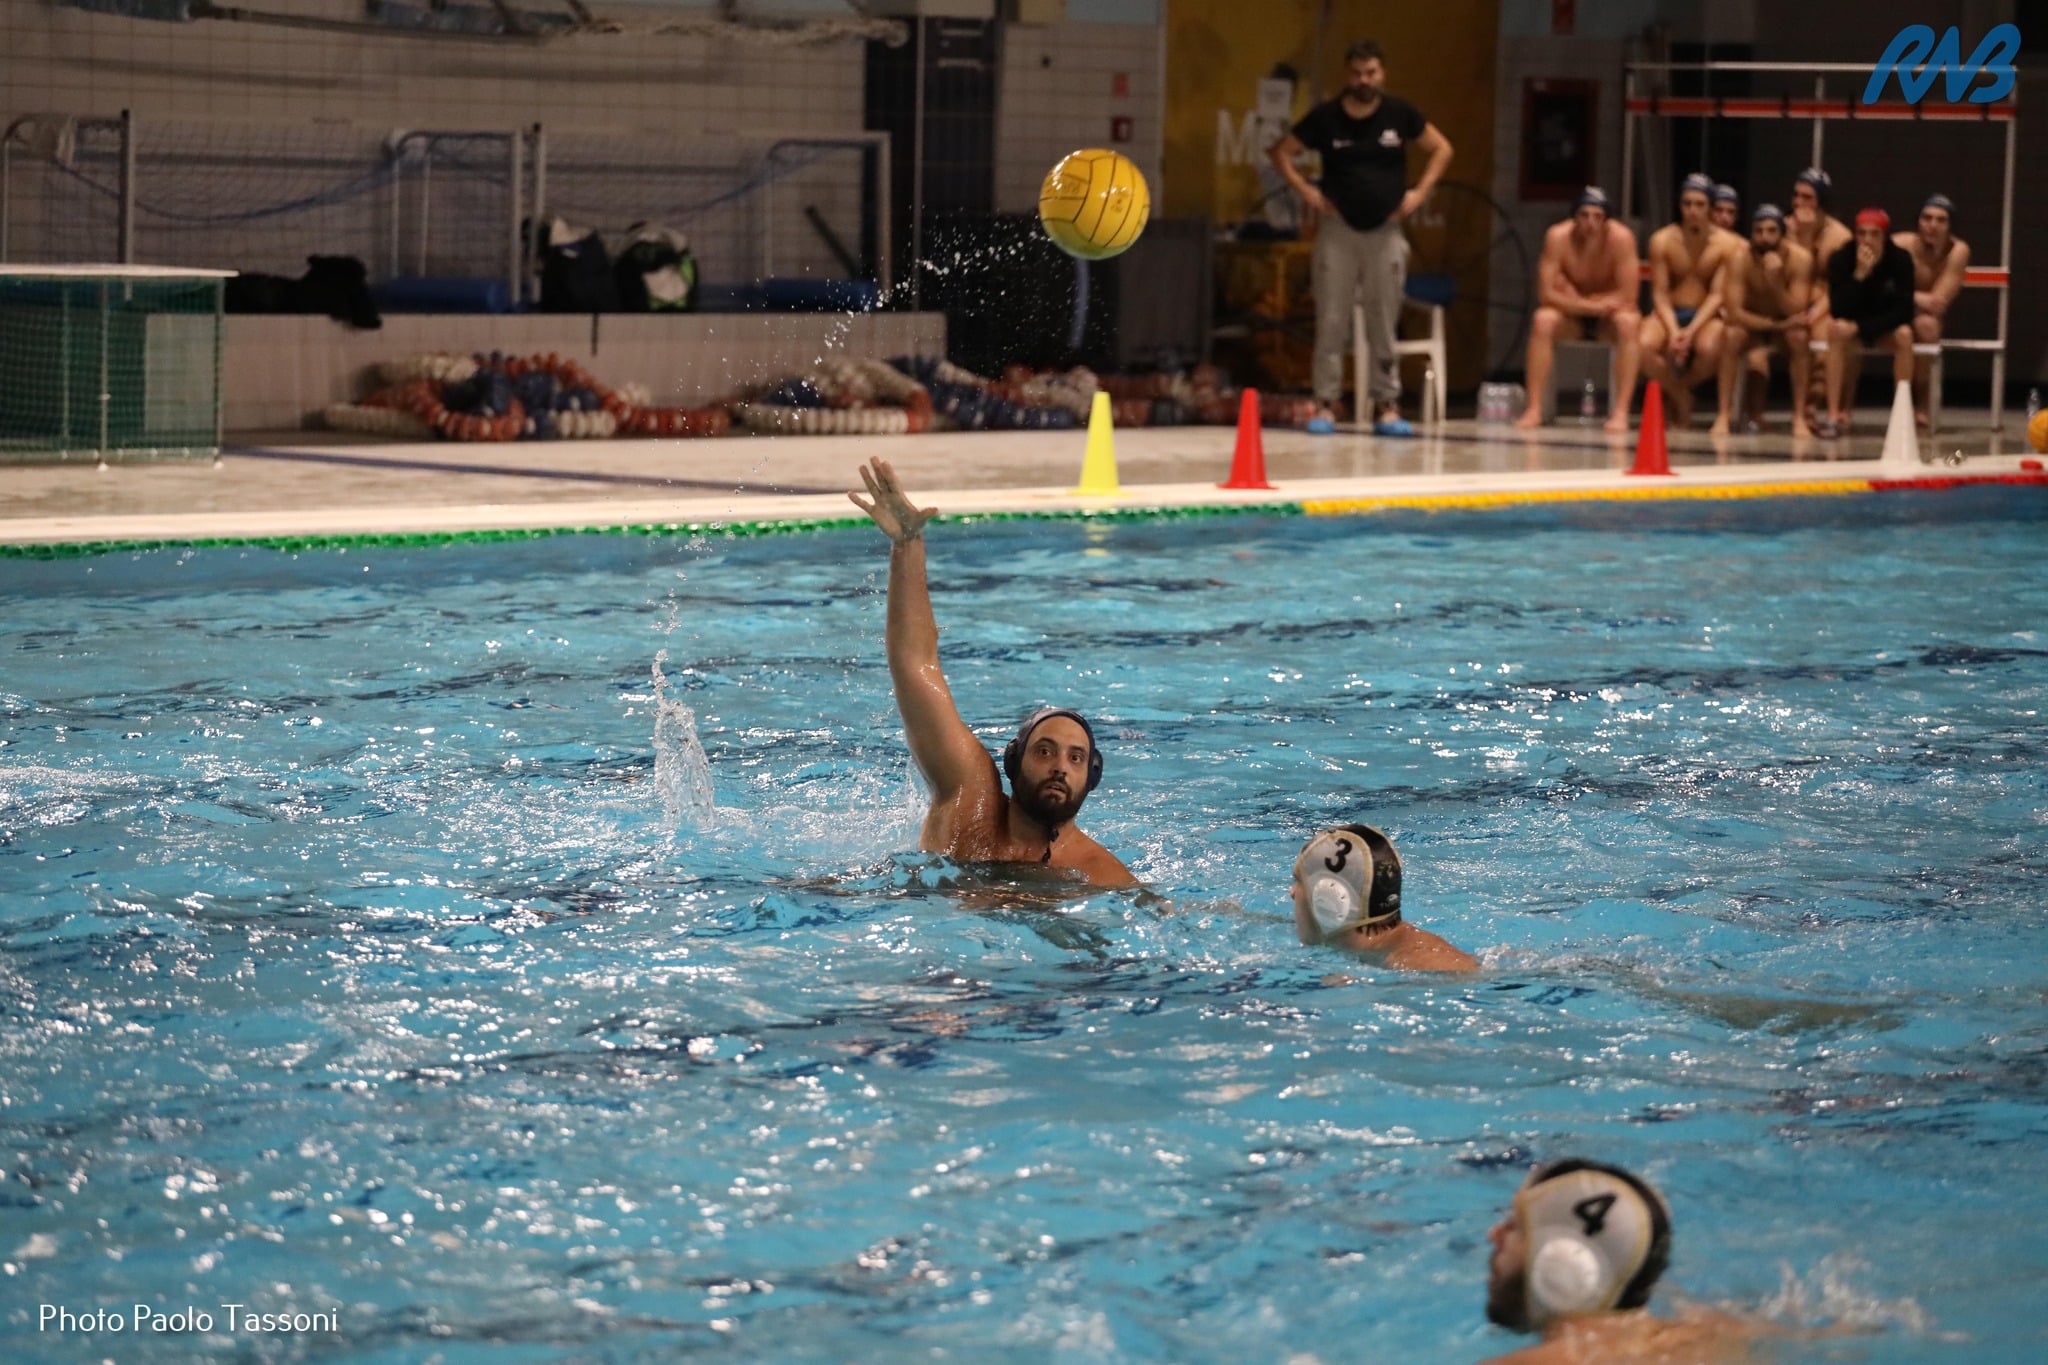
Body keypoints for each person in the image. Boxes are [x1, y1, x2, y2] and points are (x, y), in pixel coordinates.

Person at [848, 457, 1136, 887]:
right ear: (1013, 761)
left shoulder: (1096, 872)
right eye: (1045, 751)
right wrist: (908, 547)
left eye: (1075, 758)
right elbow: (915, 663)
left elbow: (1171, 918)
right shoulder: (969, 796)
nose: (1060, 766)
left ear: (1091, 776)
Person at [1269, 38, 1454, 437]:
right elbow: (1281, 153)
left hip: (1386, 231)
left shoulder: (1400, 114)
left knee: (1383, 319)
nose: (1363, 80)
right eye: (1356, 73)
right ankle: (1325, 402)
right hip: (1338, 231)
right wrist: (1309, 194)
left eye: (1370, 73)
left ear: (1381, 74)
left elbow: (1441, 149)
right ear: (1347, 75)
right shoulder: (1326, 118)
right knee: (1332, 319)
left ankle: (1387, 404)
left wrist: (1420, 194)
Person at [1515, 186, 1640, 434]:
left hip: (1607, 320)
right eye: (1584, 216)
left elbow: (1628, 296)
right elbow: (1546, 294)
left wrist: (1576, 298)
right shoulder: (1557, 237)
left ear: (1607, 220)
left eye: (1597, 217)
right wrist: (1590, 304)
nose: (1590, 223)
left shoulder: (1621, 239)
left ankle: (1621, 412)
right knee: (1543, 320)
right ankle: (1534, 408)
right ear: (1574, 217)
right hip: (1573, 317)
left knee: (1629, 323)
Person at [1290, 824, 1478, 971]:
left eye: (1299, 881)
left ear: (1330, 898)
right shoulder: (1385, 951)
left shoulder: (1424, 972)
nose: (1292, 892)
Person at [1638, 173, 1739, 428]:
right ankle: (1681, 395)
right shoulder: (1662, 240)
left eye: (1699, 205)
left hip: (1705, 315)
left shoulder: (1728, 246)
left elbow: (1717, 295)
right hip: (1670, 311)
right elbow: (1659, 293)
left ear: (1710, 207)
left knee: (1712, 348)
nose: (1692, 211)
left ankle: (1677, 391)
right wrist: (1674, 331)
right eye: (1687, 204)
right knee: (1642, 345)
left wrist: (1691, 332)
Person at [1714, 203, 1814, 437]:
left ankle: (1799, 416)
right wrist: (1775, 324)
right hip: (1754, 323)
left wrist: (1776, 283)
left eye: (1771, 231)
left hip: (1786, 325)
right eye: (1758, 231)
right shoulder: (1740, 258)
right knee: (1730, 335)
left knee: (1799, 337)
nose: (1764, 238)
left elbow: (1797, 309)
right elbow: (1735, 312)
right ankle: (1723, 414)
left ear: (1782, 234)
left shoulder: (1801, 260)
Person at [1820, 208, 1916, 439]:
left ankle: (1902, 416)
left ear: (1885, 237)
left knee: (1905, 335)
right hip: (1852, 326)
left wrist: (1861, 328)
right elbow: (1838, 308)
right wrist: (1859, 276)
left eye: (1874, 234)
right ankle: (1833, 416)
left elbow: (1904, 312)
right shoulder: (1841, 258)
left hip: (1882, 326)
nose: (1867, 241)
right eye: (1862, 234)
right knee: (1835, 330)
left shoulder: (1900, 260)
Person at [1895, 193, 1970, 432]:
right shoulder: (1900, 245)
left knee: (1927, 327)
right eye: (1927, 218)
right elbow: (1879, 288)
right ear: (1918, 222)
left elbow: (1938, 302)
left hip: (1920, 316)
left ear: (1950, 226)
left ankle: (1922, 402)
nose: (1932, 225)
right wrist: (1916, 297)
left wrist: (1908, 297)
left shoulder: (1957, 251)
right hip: (1891, 311)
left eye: (1940, 220)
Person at [1787, 167, 1851, 431]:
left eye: (1807, 197)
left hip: (1826, 304)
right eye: (1796, 196)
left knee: (1824, 337)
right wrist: (1800, 238)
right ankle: (1759, 411)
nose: (1799, 203)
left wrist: (1816, 313)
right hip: (1789, 302)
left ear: (1822, 202)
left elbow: (1838, 287)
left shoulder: (1840, 237)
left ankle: (1812, 406)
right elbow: (1789, 273)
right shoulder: (1784, 228)